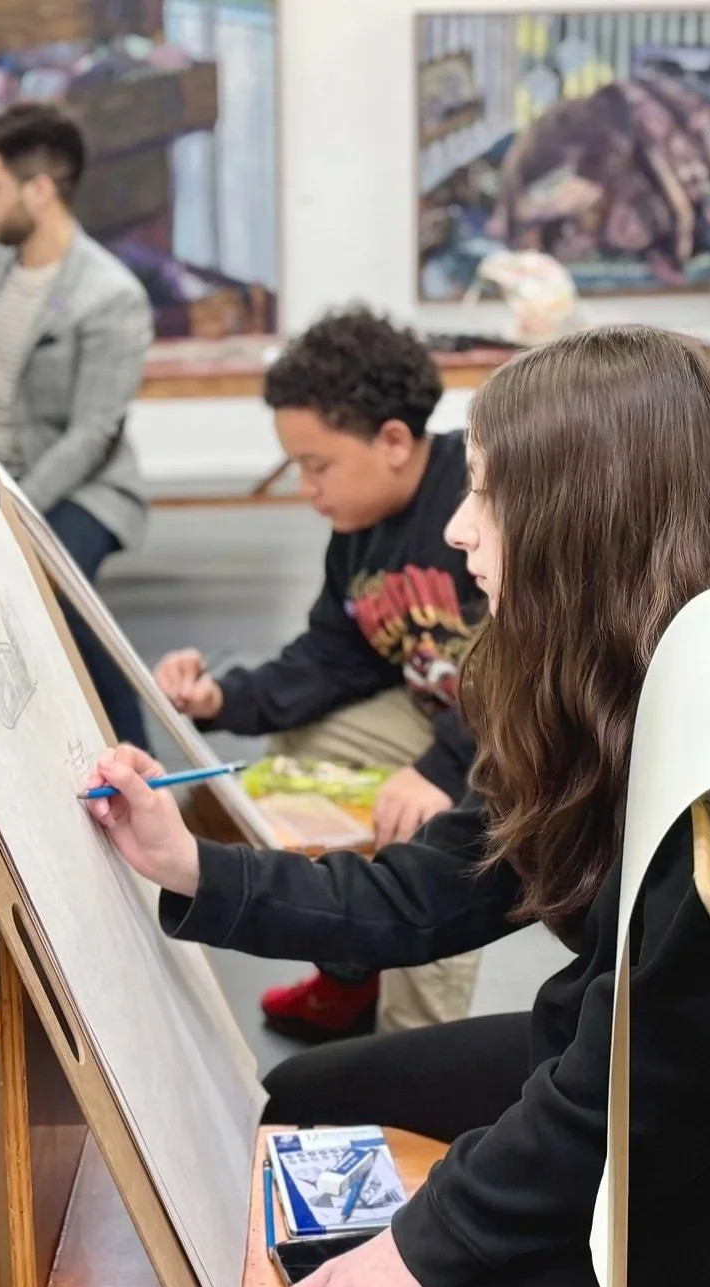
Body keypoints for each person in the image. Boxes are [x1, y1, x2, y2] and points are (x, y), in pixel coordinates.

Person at [85, 326, 710, 1287]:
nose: (457, 527)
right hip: (623, 1067)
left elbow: (665, 1099)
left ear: (584, 511)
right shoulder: (610, 656)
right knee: (303, 1097)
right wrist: (192, 866)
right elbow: (435, 885)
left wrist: (422, 1248)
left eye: (487, 494)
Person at [151, 306, 486, 1040]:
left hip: (517, 735)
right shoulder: (358, 534)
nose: (305, 487)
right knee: (301, 754)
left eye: (317, 465)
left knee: (431, 834)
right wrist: (220, 697)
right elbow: (332, 658)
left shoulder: (481, 501)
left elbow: (531, 672)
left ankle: (415, 1045)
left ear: (393, 441)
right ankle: (350, 973)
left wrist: (439, 772)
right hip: (438, 712)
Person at [0, 101, 153, 749]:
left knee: (53, 585)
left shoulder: (109, 295)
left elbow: (93, 434)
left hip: (85, 488)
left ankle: (138, 758)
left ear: (39, 190)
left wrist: (13, 507)